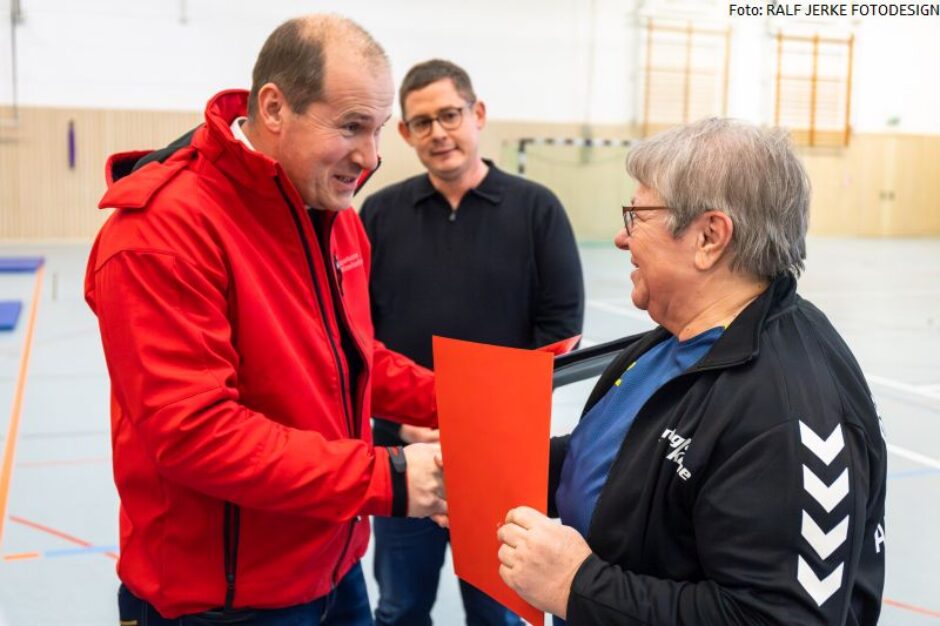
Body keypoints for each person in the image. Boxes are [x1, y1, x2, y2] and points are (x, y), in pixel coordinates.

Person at [85, 14, 448, 625]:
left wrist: (457, 398)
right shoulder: (162, 231)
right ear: (275, 108)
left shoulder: (330, 209)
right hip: (223, 603)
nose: (372, 156)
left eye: (379, 129)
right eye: (352, 127)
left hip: (332, 568)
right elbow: (197, 433)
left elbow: (349, 356)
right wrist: (385, 478)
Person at [496, 118, 887, 625]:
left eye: (637, 215)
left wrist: (578, 586)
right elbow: (620, 456)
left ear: (709, 236)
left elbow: (773, 619)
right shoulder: (677, 341)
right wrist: (493, 469)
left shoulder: (785, 411)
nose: (621, 236)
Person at [359, 59, 584, 625]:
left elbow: (560, 336)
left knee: (500, 612)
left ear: (477, 115)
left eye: (450, 115)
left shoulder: (538, 210)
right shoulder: (380, 214)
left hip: (502, 462)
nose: (439, 132)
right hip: (403, 454)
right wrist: (413, 420)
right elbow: (357, 334)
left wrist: (481, 427)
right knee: (399, 607)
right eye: (422, 122)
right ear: (405, 134)